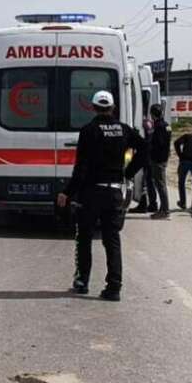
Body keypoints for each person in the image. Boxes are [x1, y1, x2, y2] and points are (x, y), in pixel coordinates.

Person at [57, 91, 145, 302]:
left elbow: (81, 168)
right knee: (112, 239)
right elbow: (144, 148)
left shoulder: (89, 130)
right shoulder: (124, 130)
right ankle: (114, 287)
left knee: (84, 237)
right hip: (114, 191)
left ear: (93, 107)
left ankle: (82, 282)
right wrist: (129, 172)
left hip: (91, 193)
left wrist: (67, 192)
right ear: (113, 108)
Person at [148, 104, 172, 219]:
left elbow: (158, 143)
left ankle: (165, 211)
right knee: (161, 184)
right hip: (163, 158)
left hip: (158, 159)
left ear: (152, 114)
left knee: (160, 185)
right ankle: (163, 209)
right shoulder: (167, 125)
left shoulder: (158, 126)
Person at [129, 115, 157, 213]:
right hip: (151, 159)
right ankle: (151, 204)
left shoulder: (147, 130)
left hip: (147, 159)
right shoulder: (152, 128)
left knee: (145, 182)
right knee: (148, 182)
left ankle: (144, 205)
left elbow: (145, 144)